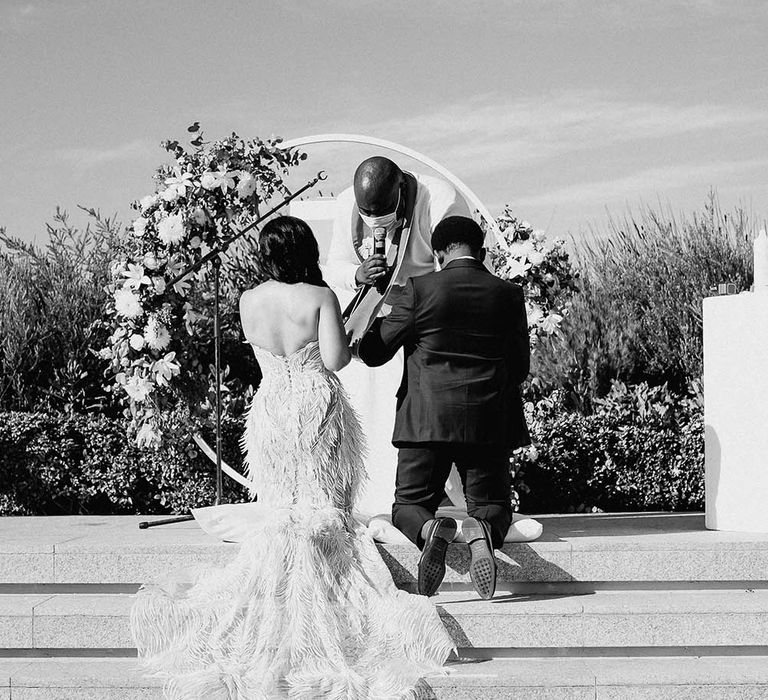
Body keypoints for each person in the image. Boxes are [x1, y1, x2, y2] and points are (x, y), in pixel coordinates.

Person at [131, 216, 454, 699]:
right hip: (316, 404)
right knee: (324, 510)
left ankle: (277, 605)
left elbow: (266, 351)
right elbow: (336, 360)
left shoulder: (248, 300)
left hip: (273, 406)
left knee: (286, 510)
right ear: (306, 249)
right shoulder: (319, 297)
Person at [357, 216, 530, 600]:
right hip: (489, 421)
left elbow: (372, 352)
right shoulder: (508, 294)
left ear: (437, 254)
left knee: (409, 506)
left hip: (426, 421)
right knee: (492, 505)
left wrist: (377, 304)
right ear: (481, 252)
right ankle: (480, 531)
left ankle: (429, 530)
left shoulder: (419, 290)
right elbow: (520, 367)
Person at [324, 156, 471, 518]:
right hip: (378, 320)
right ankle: (369, 497)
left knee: (427, 406)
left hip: (430, 317)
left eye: (384, 212)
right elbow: (334, 266)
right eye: (368, 212)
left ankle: (428, 499)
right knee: (364, 395)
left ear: (401, 190)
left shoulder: (438, 197)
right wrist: (357, 274)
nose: (376, 220)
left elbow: (455, 267)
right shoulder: (346, 203)